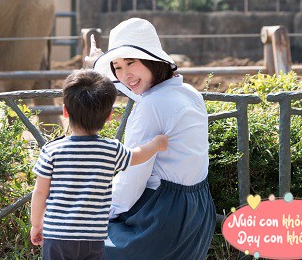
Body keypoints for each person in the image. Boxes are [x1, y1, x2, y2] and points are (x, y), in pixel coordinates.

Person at [89, 17, 216, 259]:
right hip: (198, 213)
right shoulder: (189, 93)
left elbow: (132, 176)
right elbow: (140, 89)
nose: (124, 75)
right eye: (117, 67)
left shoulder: (151, 107)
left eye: (130, 62)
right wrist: (98, 65)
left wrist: (102, 212)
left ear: (151, 60)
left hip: (161, 217)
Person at [30, 69, 168, 260]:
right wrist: (157, 144)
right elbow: (137, 156)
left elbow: (40, 192)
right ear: (109, 116)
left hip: (57, 236)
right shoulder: (111, 149)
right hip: (92, 239)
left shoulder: (52, 150)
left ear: (65, 111)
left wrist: (37, 224)